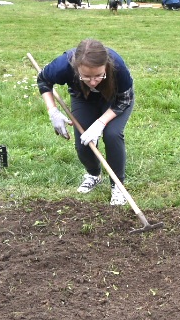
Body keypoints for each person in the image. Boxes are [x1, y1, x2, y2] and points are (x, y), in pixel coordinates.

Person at [36, 39, 135, 206]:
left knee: (112, 135)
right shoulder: (63, 65)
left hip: (115, 100)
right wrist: (52, 111)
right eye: (87, 77)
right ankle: (94, 175)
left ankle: (117, 185)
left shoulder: (117, 66)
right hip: (83, 98)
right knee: (83, 141)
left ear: (106, 66)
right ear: (76, 68)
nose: (93, 82)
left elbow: (125, 100)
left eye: (99, 75)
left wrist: (100, 123)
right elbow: (43, 80)